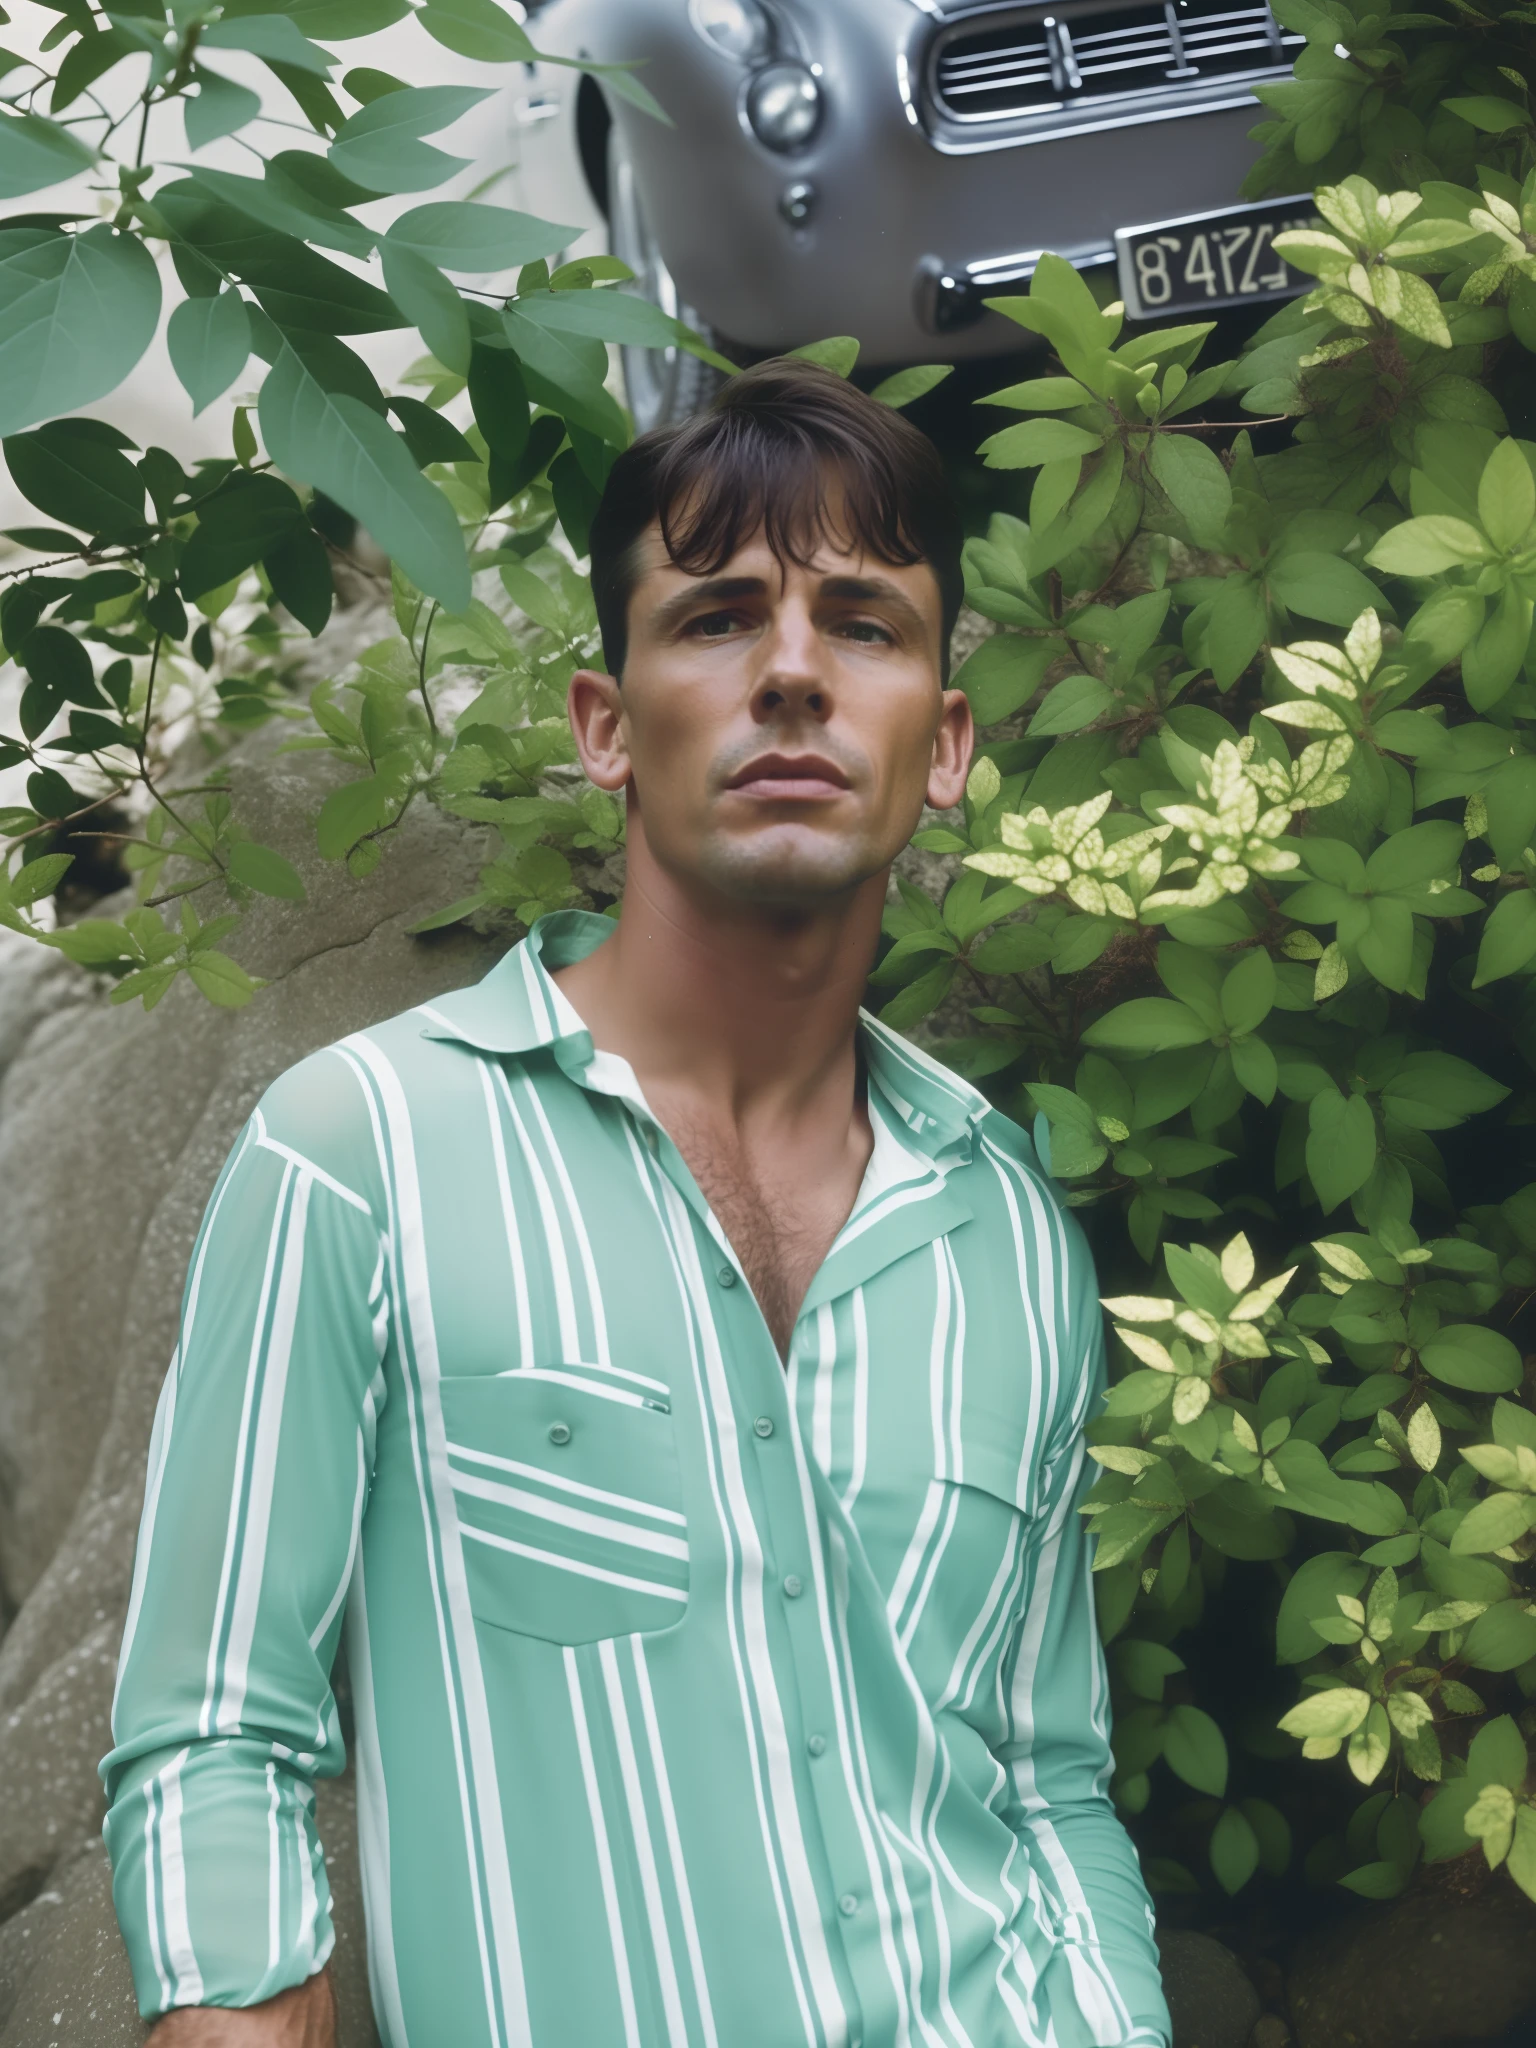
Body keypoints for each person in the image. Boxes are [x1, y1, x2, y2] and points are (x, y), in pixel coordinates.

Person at [102, 359, 1171, 2048]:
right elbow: (218, 1730)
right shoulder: (362, 1150)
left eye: (870, 626)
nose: (798, 675)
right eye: (723, 616)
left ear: (945, 746)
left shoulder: (1007, 1231)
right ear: (607, 725)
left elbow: (1044, 1783)